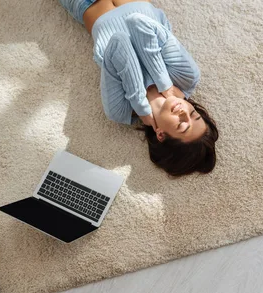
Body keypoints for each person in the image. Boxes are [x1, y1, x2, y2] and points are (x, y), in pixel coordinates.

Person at [59, 0, 219, 176]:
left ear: (161, 135)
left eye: (182, 125)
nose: (184, 113)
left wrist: (139, 102)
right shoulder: (187, 77)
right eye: (194, 115)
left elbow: (119, 42)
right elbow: (138, 22)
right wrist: (164, 84)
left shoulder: (121, 111)